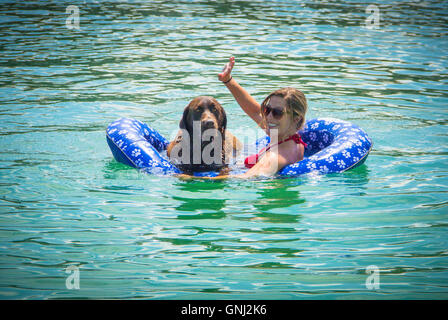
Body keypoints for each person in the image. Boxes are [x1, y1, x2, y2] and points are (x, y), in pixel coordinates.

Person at [179, 56, 308, 180]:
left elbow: (247, 177)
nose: (268, 117)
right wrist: (228, 80)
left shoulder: (279, 154)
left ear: (296, 119)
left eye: (277, 112)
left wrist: (191, 178)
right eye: (267, 110)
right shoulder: (283, 133)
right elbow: (255, 111)